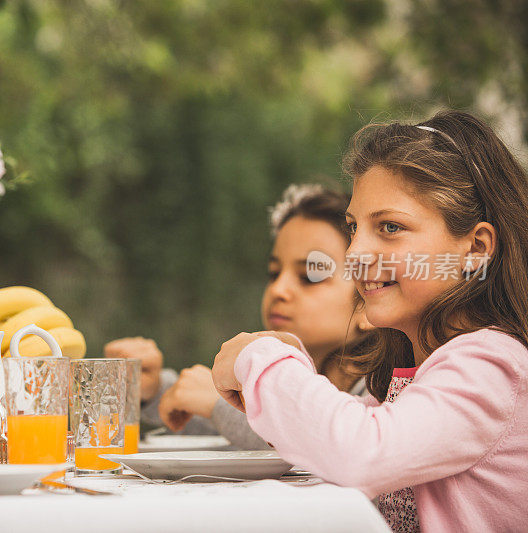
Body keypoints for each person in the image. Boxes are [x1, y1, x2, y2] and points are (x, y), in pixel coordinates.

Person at [212, 110, 528, 532]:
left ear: (475, 248)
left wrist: (262, 359)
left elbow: (362, 452)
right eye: (353, 227)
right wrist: (291, 374)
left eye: (390, 227)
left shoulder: (491, 364)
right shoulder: (422, 371)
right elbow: (345, 434)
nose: (356, 252)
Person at [105, 185, 375, 449]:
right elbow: (232, 424)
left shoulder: (384, 391)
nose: (278, 290)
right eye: (273, 273)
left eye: (309, 277)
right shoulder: (273, 376)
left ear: (369, 297)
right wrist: (158, 391)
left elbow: (318, 444)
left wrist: (218, 403)